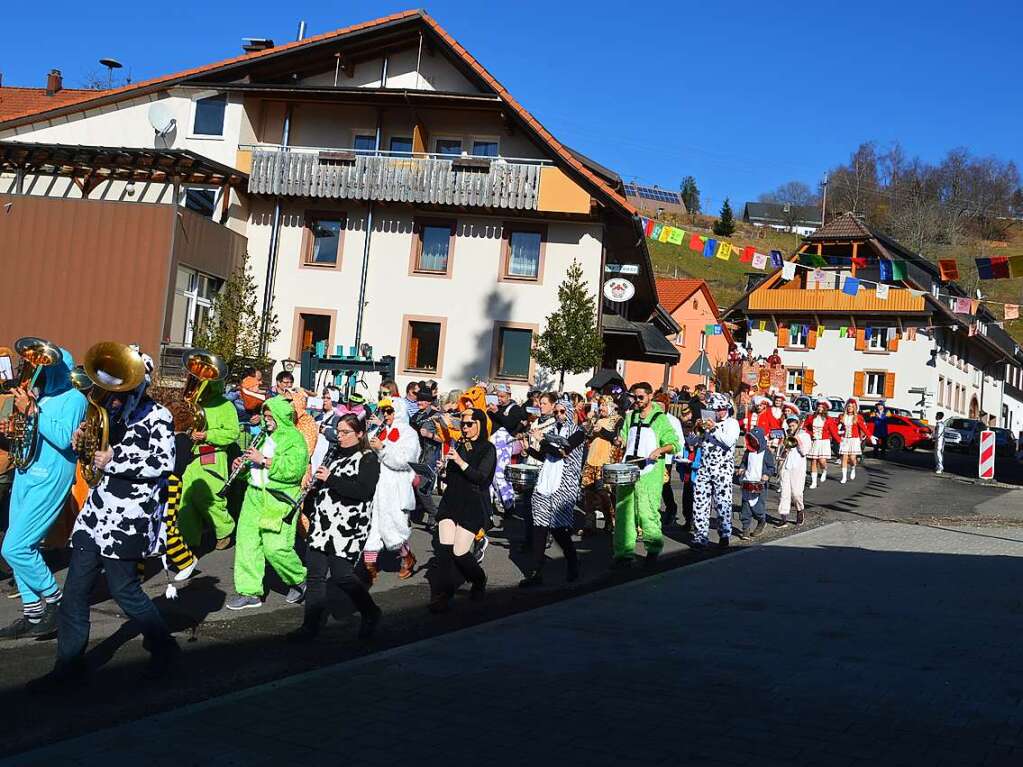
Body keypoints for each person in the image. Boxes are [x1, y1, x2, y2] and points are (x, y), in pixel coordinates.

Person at [30, 352, 178, 687]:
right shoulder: (105, 409)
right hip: (96, 515)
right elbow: (90, 454)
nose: (117, 389)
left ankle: (164, 648)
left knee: (125, 590)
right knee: (75, 592)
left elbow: (163, 463)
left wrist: (115, 459)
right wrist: (81, 443)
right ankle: (67, 667)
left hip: (129, 517)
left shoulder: (158, 416)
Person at [0, 346, 87, 640]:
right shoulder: (42, 396)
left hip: (50, 476)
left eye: (47, 366)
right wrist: (14, 426)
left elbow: (64, 438)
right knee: (25, 547)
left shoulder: (75, 398)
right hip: (26, 472)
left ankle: (55, 600)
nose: (41, 371)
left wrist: (33, 411)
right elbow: (31, 430)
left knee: (13, 547)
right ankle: (33, 611)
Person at [288, 414, 382, 641]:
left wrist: (330, 479)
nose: (339, 437)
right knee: (316, 575)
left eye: (345, 433)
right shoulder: (335, 454)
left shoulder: (368, 459)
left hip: (348, 528)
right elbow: (326, 487)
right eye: (338, 432)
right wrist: (313, 488)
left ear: (359, 434)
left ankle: (370, 612)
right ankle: (310, 625)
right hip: (323, 524)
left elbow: (363, 492)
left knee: (342, 576)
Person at [226, 396, 309, 610]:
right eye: (265, 416)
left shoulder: (294, 438)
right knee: (247, 545)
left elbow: (294, 471)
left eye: (271, 416)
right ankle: (249, 592)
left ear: (282, 416)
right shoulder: (262, 436)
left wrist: (263, 460)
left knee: (276, 548)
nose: (267, 420)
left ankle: (298, 579)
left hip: (278, 498)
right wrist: (242, 467)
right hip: (253, 497)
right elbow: (254, 468)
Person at [429, 408, 495, 612]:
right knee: (444, 550)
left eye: (468, 424)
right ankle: (443, 594)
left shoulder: (487, 448)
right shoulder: (460, 444)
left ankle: (478, 579)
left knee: (460, 552)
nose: (464, 428)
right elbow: (451, 476)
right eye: (462, 424)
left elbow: (482, 478)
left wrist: (459, 461)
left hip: (473, 502)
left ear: (479, 424)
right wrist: (443, 469)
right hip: (452, 499)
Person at [519, 395, 585, 587]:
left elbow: (562, 452)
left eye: (562, 411)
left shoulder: (578, 432)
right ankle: (535, 572)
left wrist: (542, 440)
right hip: (546, 481)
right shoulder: (551, 430)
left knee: (558, 530)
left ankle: (572, 561)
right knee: (539, 527)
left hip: (564, 485)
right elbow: (548, 456)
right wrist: (529, 449)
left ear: (570, 412)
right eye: (556, 412)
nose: (558, 415)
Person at [613, 382, 679, 566]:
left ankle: (653, 550)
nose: (637, 401)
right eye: (635, 397)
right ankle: (623, 554)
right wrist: (619, 440)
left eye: (641, 397)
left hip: (649, 471)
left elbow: (675, 444)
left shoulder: (660, 419)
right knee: (623, 511)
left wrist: (660, 450)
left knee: (647, 511)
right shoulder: (630, 416)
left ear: (650, 396)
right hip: (629, 468)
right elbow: (625, 437)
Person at [176, 377, 241, 552]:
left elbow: (233, 432)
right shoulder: (195, 402)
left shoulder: (225, 405)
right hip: (192, 455)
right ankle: (189, 539)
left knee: (208, 497)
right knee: (186, 498)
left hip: (211, 453)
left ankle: (224, 529)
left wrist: (207, 435)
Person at [363, 398, 418, 583]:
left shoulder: (409, 433)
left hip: (395, 488)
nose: (385, 415)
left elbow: (404, 461)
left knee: (394, 527)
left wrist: (383, 448)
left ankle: (407, 557)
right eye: (384, 411)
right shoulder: (379, 431)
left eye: (389, 411)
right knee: (371, 526)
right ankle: (369, 565)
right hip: (376, 485)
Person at [691, 392, 740, 548]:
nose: (718, 412)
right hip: (704, 468)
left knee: (723, 503)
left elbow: (728, 442)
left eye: (721, 409)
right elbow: (692, 442)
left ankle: (724, 534)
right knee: (700, 503)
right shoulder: (707, 422)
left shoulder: (732, 423)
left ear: (727, 409)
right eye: (715, 409)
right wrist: (696, 430)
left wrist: (714, 429)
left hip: (723, 469)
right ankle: (700, 537)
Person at [580, 395, 621, 534]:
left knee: (604, 493)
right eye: (600, 405)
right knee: (588, 493)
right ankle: (589, 523)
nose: (601, 408)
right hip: (592, 459)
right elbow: (588, 435)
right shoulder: (598, 419)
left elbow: (616, 438)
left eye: (604, 405)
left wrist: (601, 431)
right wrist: (589, 422)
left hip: (606, 461)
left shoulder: (618, 420)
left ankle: (611, 521)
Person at [409, 386, 443, 527]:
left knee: (423, 487)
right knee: (414, 484)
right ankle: (424, 510)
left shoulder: (437, 416)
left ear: (429, 401)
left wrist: (429, 435)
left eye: (422, 400)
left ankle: (434, 513)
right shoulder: (416, 416)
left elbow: (444, 438)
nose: (419, 403)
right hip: (417, 454)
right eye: (418, 400)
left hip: (431, 455)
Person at [734, 427, 774, 539]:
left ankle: (761, 521)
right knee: (745, 508)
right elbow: (744, 463)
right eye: (750, 439)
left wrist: (767, 475)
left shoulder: (766, 452)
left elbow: (771, 468)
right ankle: (745, 529)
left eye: (754, 440)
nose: (752, 442)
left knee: (758, 508)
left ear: (759, 440)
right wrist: (741, 468)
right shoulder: (748, 451)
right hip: (747, 482)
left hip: (760, 484)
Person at [653, 392, 686, 527]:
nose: (659, 408)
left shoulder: (672, 420)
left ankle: (671, 508)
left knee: (664, 485)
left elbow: (680, 440)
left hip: (666, 458)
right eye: (656, 405)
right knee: (652, 486)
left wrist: (677, 454)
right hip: (651, 457)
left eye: (661, 405)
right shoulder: (651, 418)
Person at [777, 413, 812, 525]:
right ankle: (783, 517)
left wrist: (797, 441)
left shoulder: (804, 435)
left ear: (797, 424)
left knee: (796, 493)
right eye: (789, 424)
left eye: (793, 424)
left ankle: (799, 510)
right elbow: (779, 455)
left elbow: (805, 452)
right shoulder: (785, 436)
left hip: (798, 467)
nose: (791, 426)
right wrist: (784, 450)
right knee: (784, 493)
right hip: (786, 467)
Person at [804, 398, 840, 488]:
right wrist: (810, 434)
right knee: (813, 461)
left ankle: (824, 470)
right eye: (819, 406)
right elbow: (806, 428)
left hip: (824, 442)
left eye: (822, 407)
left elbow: (834, 432)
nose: (820, 408)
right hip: (814, 441)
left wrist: (840, 441)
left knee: (822, 461)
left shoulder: (829, 419)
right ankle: (814, 482)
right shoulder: (811, 417)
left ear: (825, 408)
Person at [838, 398, 872, 483]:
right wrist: (838, 431)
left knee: (852, 458)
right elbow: (834, 425)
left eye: (852, 407)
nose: (850, 408)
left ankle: (853, 468)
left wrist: (870, 436)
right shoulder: (842, 416)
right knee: (844, 458)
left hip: (854, 439)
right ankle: (844, 477)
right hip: (845, 439)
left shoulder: (858, 417)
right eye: (848, 406)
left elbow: (863, 428)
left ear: (855, 408)